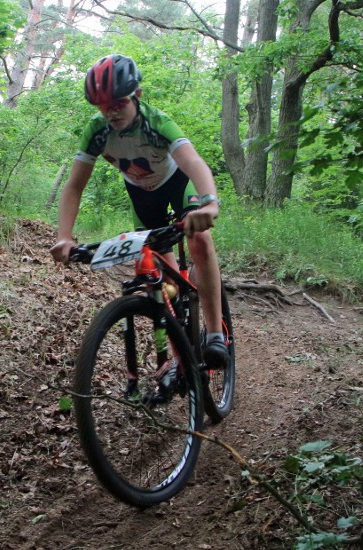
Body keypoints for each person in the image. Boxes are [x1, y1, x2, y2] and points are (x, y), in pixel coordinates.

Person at [49, 53, 229, 367]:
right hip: (143, 197)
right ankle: (180, 345)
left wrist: (210, 202)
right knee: (157, 277)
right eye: (103, 106)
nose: (111, 112)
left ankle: (215, 334)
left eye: (118, 103)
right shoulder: (97, 131)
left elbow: (193, 162)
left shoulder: (157, 122)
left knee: (199, 239)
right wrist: (65, 236)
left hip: (178, 183)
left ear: (137, 96)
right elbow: (75, 185)